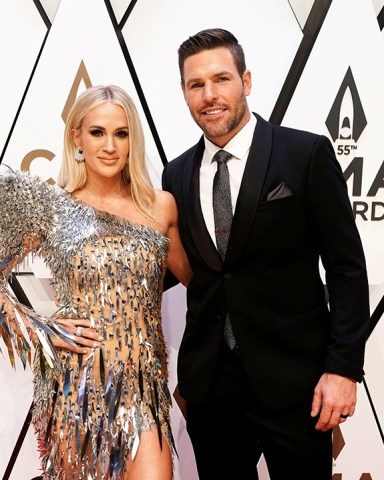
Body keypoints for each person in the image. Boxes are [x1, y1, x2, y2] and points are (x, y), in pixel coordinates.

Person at [162, 28, 370, 479]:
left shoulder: (305, 153)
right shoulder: (175, 174)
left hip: (298, 386)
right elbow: (174, 269)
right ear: (183, 93)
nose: (210, 95)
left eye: (221, 79)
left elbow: (347, 269)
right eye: (196, 85)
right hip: (211, 390)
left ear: (247, 81)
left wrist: (343, 369)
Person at [0, 85, 192, 480]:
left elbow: (207, 287)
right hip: (74, 389)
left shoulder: (161, 206)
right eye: (97, 132)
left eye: (121, 133)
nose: (110, 146)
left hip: (143, 387)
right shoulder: (52, 208)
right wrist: (41, 329)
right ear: (77, 138)